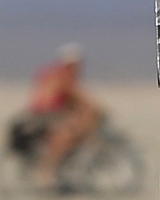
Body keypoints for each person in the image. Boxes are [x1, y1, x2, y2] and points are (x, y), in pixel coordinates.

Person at [21, 43, 103, 190]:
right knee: (64, 135)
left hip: (53, 112)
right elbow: (74, 95)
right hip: (45, 114)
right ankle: (47, 170)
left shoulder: (63, 75)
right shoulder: (61, 76)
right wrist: (93, 109)